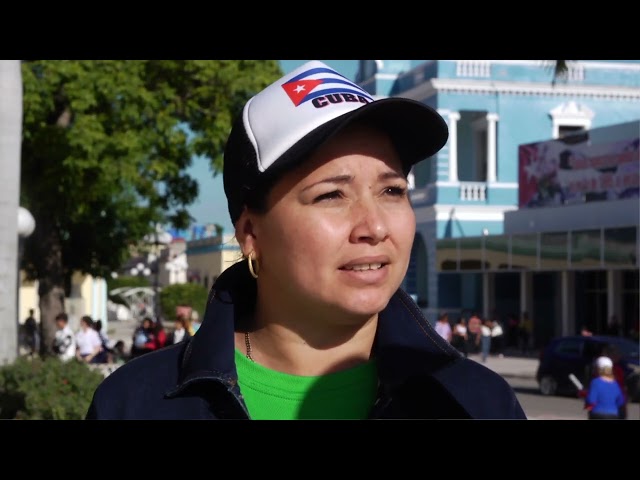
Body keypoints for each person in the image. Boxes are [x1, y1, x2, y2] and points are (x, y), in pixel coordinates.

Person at [86, 60, 526, 420]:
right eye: (331, 195)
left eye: (392, 190)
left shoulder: (476, 404)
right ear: (251, 234)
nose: (373, 226)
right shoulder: (136, 403)